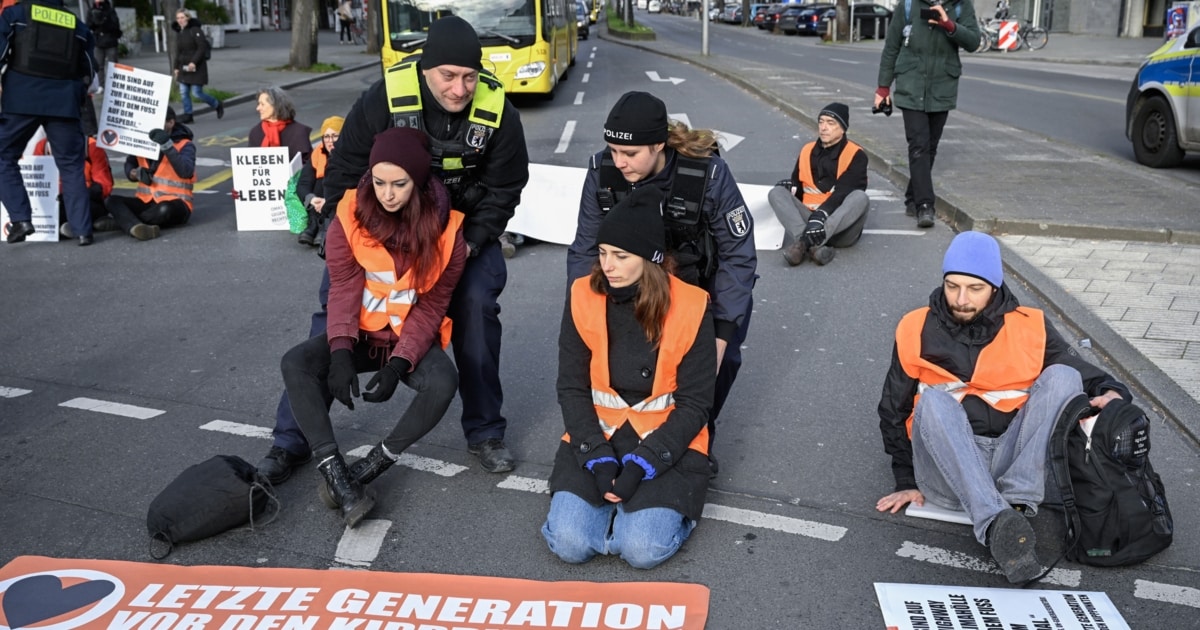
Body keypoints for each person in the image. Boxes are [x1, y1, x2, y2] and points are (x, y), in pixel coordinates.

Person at [314, 15, 530, 474]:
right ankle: (296, 436)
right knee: (332, 299)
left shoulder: (497, 110)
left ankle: (485, 431)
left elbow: (506, 188)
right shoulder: (383, 99)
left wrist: (471, 243)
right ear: (425, 69)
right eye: (448, 76)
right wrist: (362, 239)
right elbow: (344, 175)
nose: (460, 89)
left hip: (461, 235)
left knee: (476, 305)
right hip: (385, 229)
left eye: (469, 76)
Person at [876, 231, 1132, 583]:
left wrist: (1113, 392)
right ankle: (997, 523)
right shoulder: (914, 327)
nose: (961, 299)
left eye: (974, 289)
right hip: (947, 467)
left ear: (995, 287)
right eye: (952, 286)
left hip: (1012, 460)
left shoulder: (1031, 325)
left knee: (1063, 376)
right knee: (934, 398)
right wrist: (905, 478)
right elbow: (893, 408)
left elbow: (1086, 373)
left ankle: (1015, 501)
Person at [281, 127, 465, 528]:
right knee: (296, 363)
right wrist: (342, 352)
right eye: (379, 182)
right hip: (362, 334)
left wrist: (399, 366)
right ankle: (335, 472)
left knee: (443, 381)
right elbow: (344, 287)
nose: (387, 193)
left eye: (399, 184)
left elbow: (432, 306)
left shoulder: (449, 234)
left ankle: (369, 467)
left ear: (418, 182)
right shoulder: (348, 213)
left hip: (404, 338)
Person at [567, 91, 755, 466]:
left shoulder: (708, 174)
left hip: (697, 288)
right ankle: (627, 434)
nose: (619, 162)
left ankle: (697, 437)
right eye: (613, 151)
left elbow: (738, 256)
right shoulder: (602, 172)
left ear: (658, 145)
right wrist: (583, 317)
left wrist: (720, 334)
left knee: (720, 364)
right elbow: (585, 250)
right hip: (628, 287)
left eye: (631, 154)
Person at [544, 185, 715, 569]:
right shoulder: (582, 295)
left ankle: (633, 518)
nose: (608, 265)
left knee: (642, 552)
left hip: (667, 443)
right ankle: (608, 517)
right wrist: (597, 458)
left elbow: (696, 403)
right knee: (570, 545)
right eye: (603, 253)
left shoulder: (692, 305)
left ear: (650, 261)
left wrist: (643, 464)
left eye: (621, 256)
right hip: (598, 437)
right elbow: (571, 387)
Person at [874, 0, 979, 229]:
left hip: (943, 87)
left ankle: (912, 197)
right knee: (918, 145)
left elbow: (974, 42)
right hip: (910, 85)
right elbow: (892, 46)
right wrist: (883, 87)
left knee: (930, 146)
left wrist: (949, 24)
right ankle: (925, 205)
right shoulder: (909, 5)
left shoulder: (961, 6)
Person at [0, 0, 97, 246]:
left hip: (21, 100)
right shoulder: (77, 24)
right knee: (72, 166)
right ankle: (83, 231)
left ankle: (21, 219)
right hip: (64, 104)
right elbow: (88, 68)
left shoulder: (15, 14)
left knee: (4, 156)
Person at [768, 102, 869, 267]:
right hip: (809, 221)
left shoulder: (856, 154)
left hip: (841, 228)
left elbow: (843, 193)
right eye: (821, 122)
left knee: (860, 197)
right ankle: (815, 247)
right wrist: (790, 187)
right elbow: (800, 190)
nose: (823, 127)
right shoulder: (806, 150)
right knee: (776, 192)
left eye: (830, 123)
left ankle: (803, 244)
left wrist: (820, 216)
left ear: (843, 128)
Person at [103, 107, 195, 241]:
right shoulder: (144, 142)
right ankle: (136, 226)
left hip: (175, 203)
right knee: (111, 200)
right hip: (146, 201)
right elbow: (130, 163)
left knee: (164, 210)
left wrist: (167, 145)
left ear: (170, 122)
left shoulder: (185, 144)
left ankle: (123, 222)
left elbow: (186, 171)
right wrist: (134, 173)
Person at [31, 133, 115, 239]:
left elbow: (104, 186)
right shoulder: (43, 146)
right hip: (55, 200)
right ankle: (72, 225)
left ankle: (64, 227)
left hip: (87, 199)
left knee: (78, 207)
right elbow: (37, 179)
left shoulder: (90, 146)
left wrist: (73, 195)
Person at [295, 116, 343, 247]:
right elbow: (303, 183)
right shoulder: (317, 154)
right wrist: (311, 199)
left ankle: (326, 225)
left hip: (339, 202)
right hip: (319, 202)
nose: (330, 141)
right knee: (318, 180)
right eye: (326, 137)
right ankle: (315, 223)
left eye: (335, 136)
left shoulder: (350, 155)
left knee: (329, 180)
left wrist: (329, 202)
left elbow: (351, 187)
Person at [171, 10, 223, 125]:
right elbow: (178, 52)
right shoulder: (180, 33)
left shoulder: (195, 30)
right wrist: (176, 67)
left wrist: (194, 62)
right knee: (184, 92)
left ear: (188, 18)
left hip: (196, 67)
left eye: (182, 17)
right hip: (184, 68)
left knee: (196, 93)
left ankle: (216, 104)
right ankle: (188, 115)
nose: (180, 20)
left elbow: (201, 47)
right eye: (178, 18)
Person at [249, 87, 313, 165]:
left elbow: (307, 165)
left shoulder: (299, 132)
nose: (258, 108)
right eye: (258, 104)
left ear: (275, 106)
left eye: (262, 104)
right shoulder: (256, 133)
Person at [86, 0, 121, 89]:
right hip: (98, 42)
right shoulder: (91, 10)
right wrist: (94, 21)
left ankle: (114, 85)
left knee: (113, 65)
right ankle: (101, 85)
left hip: (110, 41)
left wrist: (104, 20)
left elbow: (115, 25)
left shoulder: (110, 10)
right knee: (98, 65)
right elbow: (88, 25)